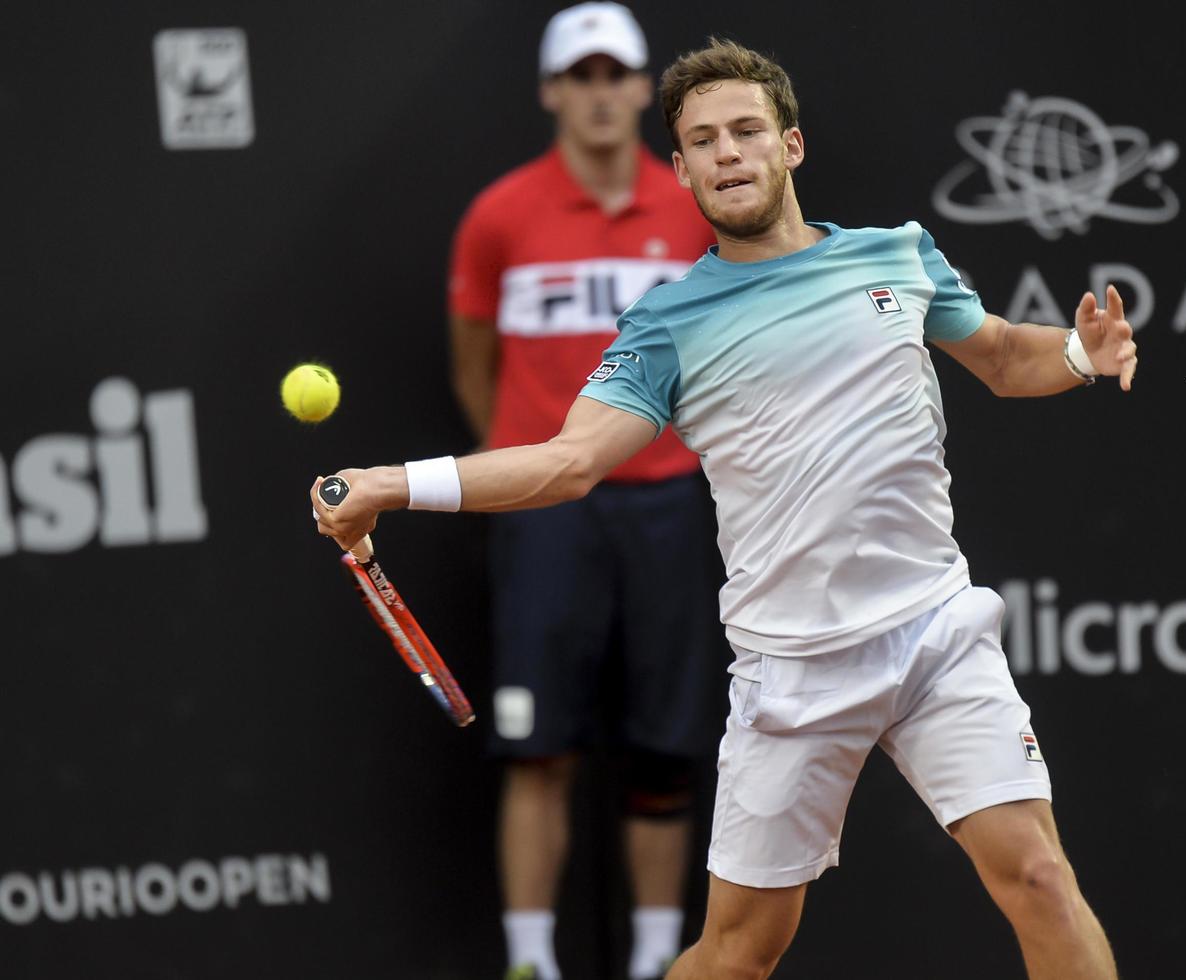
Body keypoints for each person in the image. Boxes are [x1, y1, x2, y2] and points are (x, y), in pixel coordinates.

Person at [320, 37, 1136, 980]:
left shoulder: (900, 259)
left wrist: (1079, 356)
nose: (727, 153)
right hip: (791, 674)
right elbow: (568, 464)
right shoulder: (669, 322)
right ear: (681, 170)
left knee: (1038, 877)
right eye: (703, 141)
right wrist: (389, 484)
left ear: (791, 146)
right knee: (740, 955)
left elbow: (1000, 356)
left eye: (747, 131)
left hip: (934, 632)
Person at [444, 6, 721, 979]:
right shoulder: (499, 216)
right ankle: (532, 963)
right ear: (551, 91)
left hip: (668, 502)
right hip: (545, 514)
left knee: (664, 747)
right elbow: (476, 366)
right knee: (537, 747)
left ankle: (655, 958)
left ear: (647, 89)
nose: (602, 92)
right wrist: (527, 458)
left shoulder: (697, 211)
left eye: (619, 73)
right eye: (583, 74)